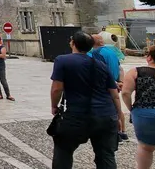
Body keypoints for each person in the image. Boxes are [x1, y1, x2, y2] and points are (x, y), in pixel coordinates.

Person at [50, 31, 124, 169]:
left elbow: (56, 89)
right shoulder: (101, 65)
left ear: (72, 43)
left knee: (63, 150)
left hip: (77, 114)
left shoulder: (63, 60)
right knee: (106, 155)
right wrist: (118, 116)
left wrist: (54, 106)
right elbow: (114, 94)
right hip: (105, 115)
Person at [89, 34, 127, 142]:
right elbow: (120, 68)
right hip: (116, 84)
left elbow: (102, 70)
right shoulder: (112, 52)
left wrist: (113, 82)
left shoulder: (96, 53)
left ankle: (116, 133)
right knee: (117, 106)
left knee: (110, 110)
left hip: (107, 85)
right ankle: (123, 132)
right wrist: (120, 82)